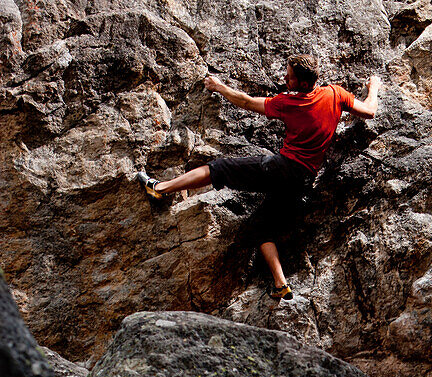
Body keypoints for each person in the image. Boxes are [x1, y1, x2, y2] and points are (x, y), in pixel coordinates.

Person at [137, 54, 381, 301]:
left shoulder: (288, 103)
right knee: (263, 229)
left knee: (219, 168)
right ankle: (280, 284)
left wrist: (219, 86)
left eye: (290, 77)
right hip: (303, 180)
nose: (285, 78)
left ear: (304, 84)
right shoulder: (335, 95)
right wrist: (374, 88)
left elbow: (245, 102)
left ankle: (161, 187)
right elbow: (369, 111)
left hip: (280, 167)